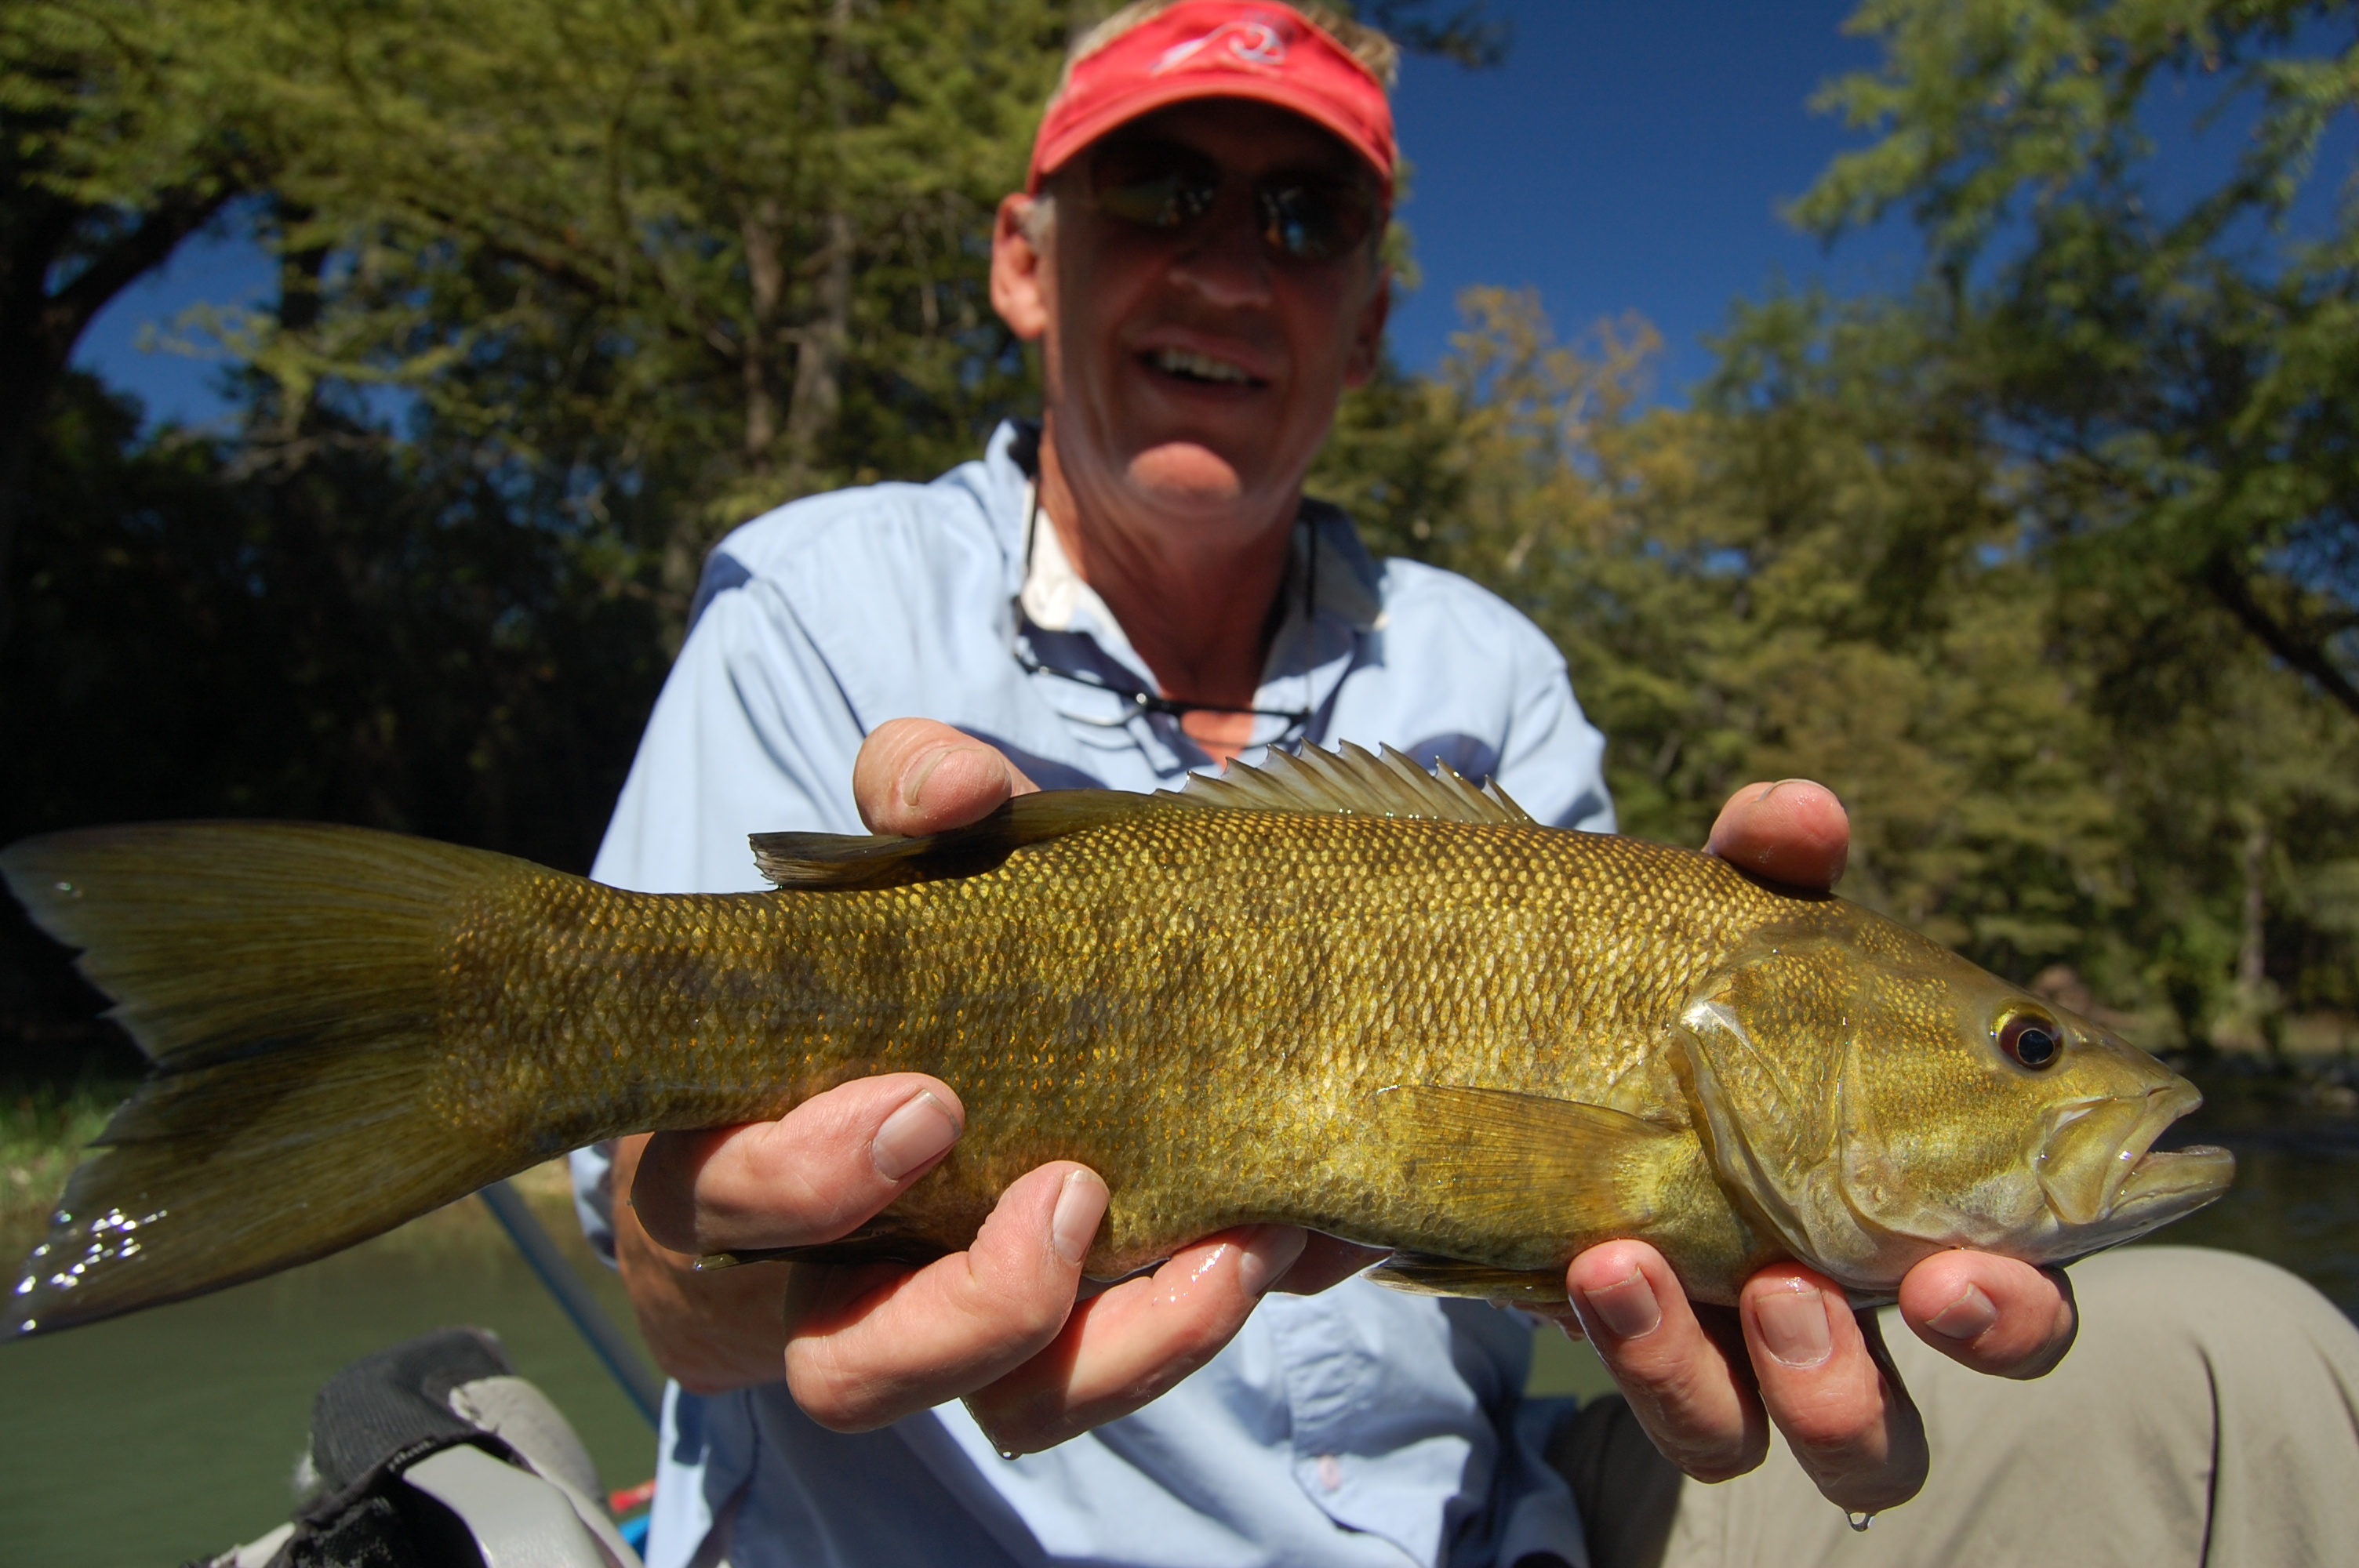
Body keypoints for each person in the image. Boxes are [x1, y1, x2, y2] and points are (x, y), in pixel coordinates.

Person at [572, 5, 2359, 1565]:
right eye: (1157, 188)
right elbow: (668, 1270)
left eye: (1305, 212)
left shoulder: (1484, 671)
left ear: (1360, 324)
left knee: (2239, 1359)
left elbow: (1579, 1253)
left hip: (1483, 1527)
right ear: (1025, 258)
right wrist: (742, 1263)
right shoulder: (814, 601)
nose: (1224, 261)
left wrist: (1759, 1292)